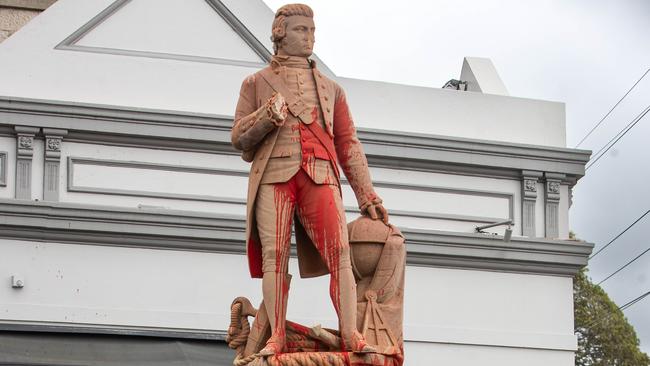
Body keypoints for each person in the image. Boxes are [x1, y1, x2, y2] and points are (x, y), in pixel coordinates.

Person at [231, 3, 388, 356]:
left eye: (312, 31)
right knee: (274, 256)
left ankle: (351, 335)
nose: (309, 37)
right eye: (302, 30)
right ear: (280, 33)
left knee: (341, 254)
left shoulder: (332, 89)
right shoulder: (255, 83)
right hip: (274, 175)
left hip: (320, 173)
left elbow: (348, 143)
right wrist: (266, 118)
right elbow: (239, 138)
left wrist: (367, 195)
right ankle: (276, 338)